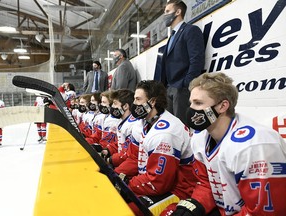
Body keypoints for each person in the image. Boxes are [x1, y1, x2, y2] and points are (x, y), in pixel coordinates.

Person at [174, 72, 286, 215]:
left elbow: (263, 211)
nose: (191, 109)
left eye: (198, 103)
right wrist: (196, 205)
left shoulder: (254, 145)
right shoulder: (199, 137)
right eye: (191, 102)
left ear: (222, 106)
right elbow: (207, 183)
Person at [117, 80, 199, 215]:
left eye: (138, 99)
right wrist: (118, 177)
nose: (134, 104)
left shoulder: (165, 133)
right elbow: (134, 157)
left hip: (179, 189)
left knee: (127, 210)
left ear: (152, 101)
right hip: (152, 181)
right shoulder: (141, 123)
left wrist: (128, 185)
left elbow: (159, 183)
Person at [160, 0, 205, 125]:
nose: (165, 15)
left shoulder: (190, 30)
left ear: (178, 12)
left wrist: (186, 84)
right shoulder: (171, 37)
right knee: (171, 126)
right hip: (169, 88)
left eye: (168, 11)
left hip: (181, 88)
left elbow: (196, 60)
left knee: (182, 127)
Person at [101, 89, 138, 168]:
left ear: (125, 106)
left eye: (115, 104)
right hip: (122, 163)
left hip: (128, 167)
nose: (112, 107)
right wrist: (107, 150)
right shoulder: (124, 122)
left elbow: (128, 154)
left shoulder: (132, 125)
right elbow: (120, 143)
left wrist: (110, 160)